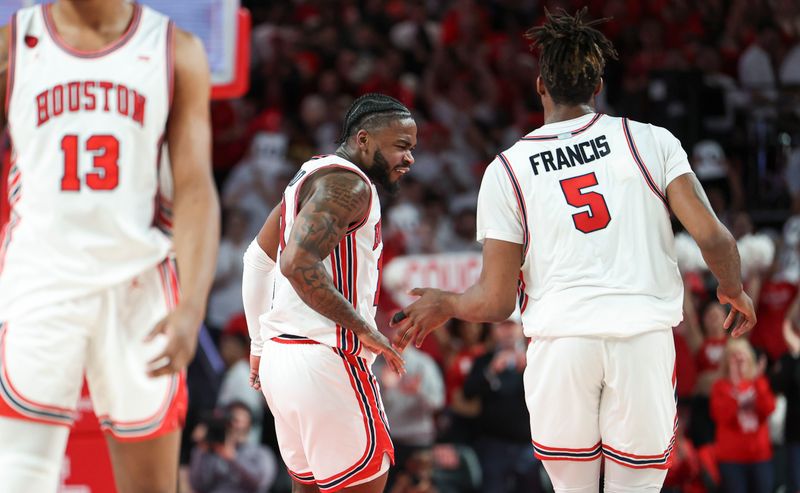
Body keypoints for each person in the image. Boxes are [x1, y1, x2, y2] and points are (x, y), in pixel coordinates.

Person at [391, 8, 756, 493]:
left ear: (540, 86)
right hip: (641, 339)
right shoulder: (650, 141)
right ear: (598, 84)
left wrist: (449, 303)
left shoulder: (508, 169)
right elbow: (714, 238)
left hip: (561, 345)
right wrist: (732, 289)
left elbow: (497, 301)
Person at [0, 1, 219, 492]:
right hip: (40, 277)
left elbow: (195, 188)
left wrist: (192, 305)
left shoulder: (176, 51)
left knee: (150, 486)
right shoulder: (12, 46)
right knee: (19, 478)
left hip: (139, 283)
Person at [241, 93, 413, 492]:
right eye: (401, 147)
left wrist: (258, 344)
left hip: (282, 362)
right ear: (365, 140)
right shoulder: (349, 185)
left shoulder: (310, 174)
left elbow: (257, 260)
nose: (409, 159)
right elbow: (297, 262)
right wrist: (365, 330)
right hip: (327, 360)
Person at [710, 339, 775, 493]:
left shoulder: (759, 383)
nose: (739, 361)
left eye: (742, 356)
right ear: (726, 361)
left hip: (760, 457)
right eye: (734, 357)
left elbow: (768, 408)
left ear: (750, 359)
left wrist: (756, 380)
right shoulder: (720, 386)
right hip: (731, 459)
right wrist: (735, 383)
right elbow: (722, 416)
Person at [189, 402, 277, 493]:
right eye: (231, 420)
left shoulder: (262, 453)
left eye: (238, 420)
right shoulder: (213, 451)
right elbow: (197, 485)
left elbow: (259, 482)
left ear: (249, 423)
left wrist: (233, 458)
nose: (235, 425)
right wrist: (201, 449)